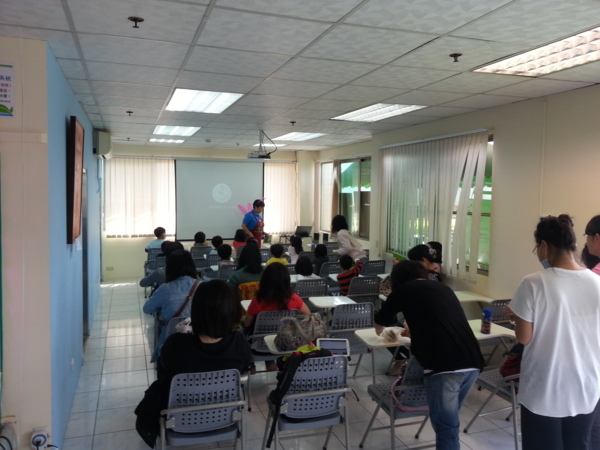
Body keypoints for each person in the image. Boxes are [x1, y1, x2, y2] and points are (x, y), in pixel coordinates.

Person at [509, 214, 600, 450]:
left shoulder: (532, 282)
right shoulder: (597, 282)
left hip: (545, 388)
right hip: (586, 387)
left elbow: (524, 337)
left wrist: (520, 316)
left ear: (544, 246)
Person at [374, 260, 484, 450]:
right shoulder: (443, 289)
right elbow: (439, 321)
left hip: (444, 366)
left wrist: (382, 330)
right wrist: (416, 330)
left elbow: (379, 323)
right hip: (473, 362)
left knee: (446, 429)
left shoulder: (404, 289)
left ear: (397, 278)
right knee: (449, 424)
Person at [135, 280, 252, 449]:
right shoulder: (239, 342)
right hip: (225, 418)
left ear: (196, 310)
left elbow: (163, 375)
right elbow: (244, 368)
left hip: (180, 419)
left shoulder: (175, 344)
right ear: (231, 310)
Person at [243, 262, 311, 371]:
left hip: (260, 344)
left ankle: (251, 364)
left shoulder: (258, 300)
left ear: (265, 280)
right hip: (287, 343)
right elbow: (308, 315)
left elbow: (247, 323)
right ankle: (271, 362)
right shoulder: (294, 299)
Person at [142, 250, 200, 361]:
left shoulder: (165, 288)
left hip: (170, 339)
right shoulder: (202, 286)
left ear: (169, 267)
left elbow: (146, 309)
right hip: (198, 339)